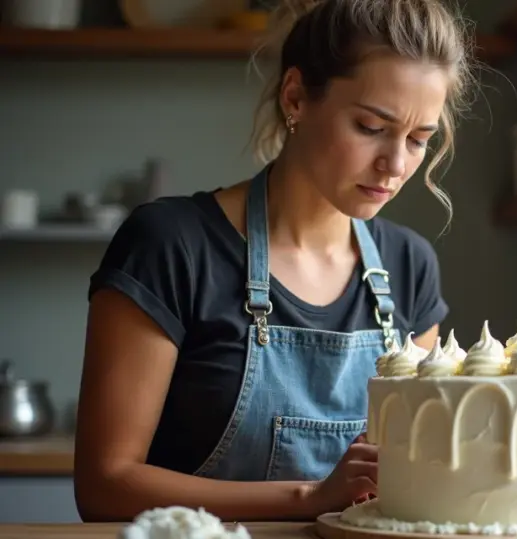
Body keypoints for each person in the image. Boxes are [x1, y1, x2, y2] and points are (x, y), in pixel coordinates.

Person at [73, 0, 476, 522]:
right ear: (296, 97)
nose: (395, 165)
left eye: (419, 139)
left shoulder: (409, 267)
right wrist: (308, 498)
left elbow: (411, 475)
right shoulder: (171, 245)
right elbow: (104, 485)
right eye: (371, 127)